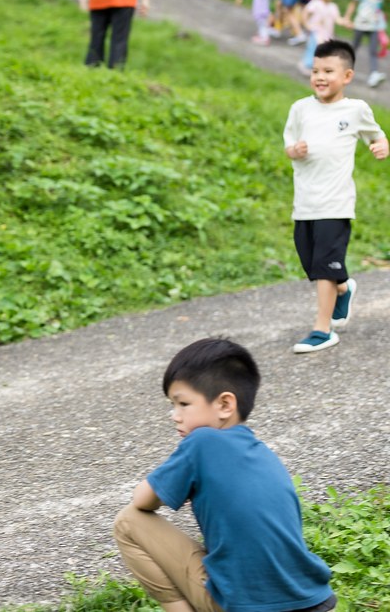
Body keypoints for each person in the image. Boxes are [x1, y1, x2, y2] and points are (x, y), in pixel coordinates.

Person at [114, 337, 338, 612]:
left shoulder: (201, 442)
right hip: (313, 600)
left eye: (183, 404)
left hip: (245, 605)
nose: (175, 415)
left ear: (224, 405)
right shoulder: (263, 454)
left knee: (127, 522)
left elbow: (142, 501)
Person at [283, 40, 387, 353]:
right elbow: (289, 144)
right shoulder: (300, 109)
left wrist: (382, 146)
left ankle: (321, 330)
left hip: (336, 202)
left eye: (329, 70)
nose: (320, 76)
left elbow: (377, 134)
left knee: (324, 264)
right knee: (313, 263)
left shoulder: (355, 110)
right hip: (305, 202)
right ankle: (343, 288)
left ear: (347, 76)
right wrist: (294, 151)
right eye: (315, 70)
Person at [343, 0, 387, 88]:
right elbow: (353, 3)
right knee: (354, 47)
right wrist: (347, 17)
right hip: (361, 22)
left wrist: (381, 23)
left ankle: (374, 74)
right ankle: (343, 69)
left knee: (373, 50)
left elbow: (379, 6)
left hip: (374, 24)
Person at [298, 0, 352, 75]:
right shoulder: (315, 3)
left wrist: (345, 22)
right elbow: (305, 12)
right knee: (313, 49)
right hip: (315, 32)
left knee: (326, 53)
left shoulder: (333, 7)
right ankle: (307, 65)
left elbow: (337, 19)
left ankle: (320, 69)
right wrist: (306, 24)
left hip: (327, 35)